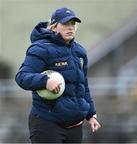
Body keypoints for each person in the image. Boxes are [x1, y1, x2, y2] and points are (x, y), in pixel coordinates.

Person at [15, 7, 101, 143]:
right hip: (47, 123)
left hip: (75, 126)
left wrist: (91, 114)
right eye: (65, 24)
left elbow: (82, 85)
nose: (70, 28)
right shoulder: (41, 49)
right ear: (54, 27)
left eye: (73, 24)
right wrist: (45, 81)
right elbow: (22, 77)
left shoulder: (80, 52)